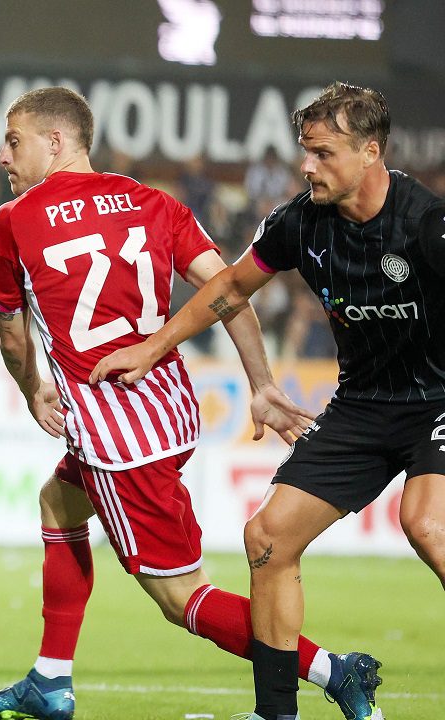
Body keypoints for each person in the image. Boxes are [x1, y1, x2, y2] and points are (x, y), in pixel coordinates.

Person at [0, 87, 379, 720]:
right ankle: (49, 679)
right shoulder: (154, 203)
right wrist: (261, 383)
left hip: (115, 434)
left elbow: (12, 334)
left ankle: (334, 671)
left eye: (13, 141)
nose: (3, 156)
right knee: (59, 500)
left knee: (182, 596)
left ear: (55, 142)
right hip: (170, 412)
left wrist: (33, 390)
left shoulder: (16, 219)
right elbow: (228, 290)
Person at [94, 81, 445, 720]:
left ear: (371, 151)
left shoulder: (426, 223)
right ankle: (276, 713)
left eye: (323, 153)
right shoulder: (298, 223)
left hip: (439, 400)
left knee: (427, 525)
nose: (307, 165)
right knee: (268, 537)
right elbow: (230, 289)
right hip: (363, 406)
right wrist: (152, 348)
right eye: (304, 150)